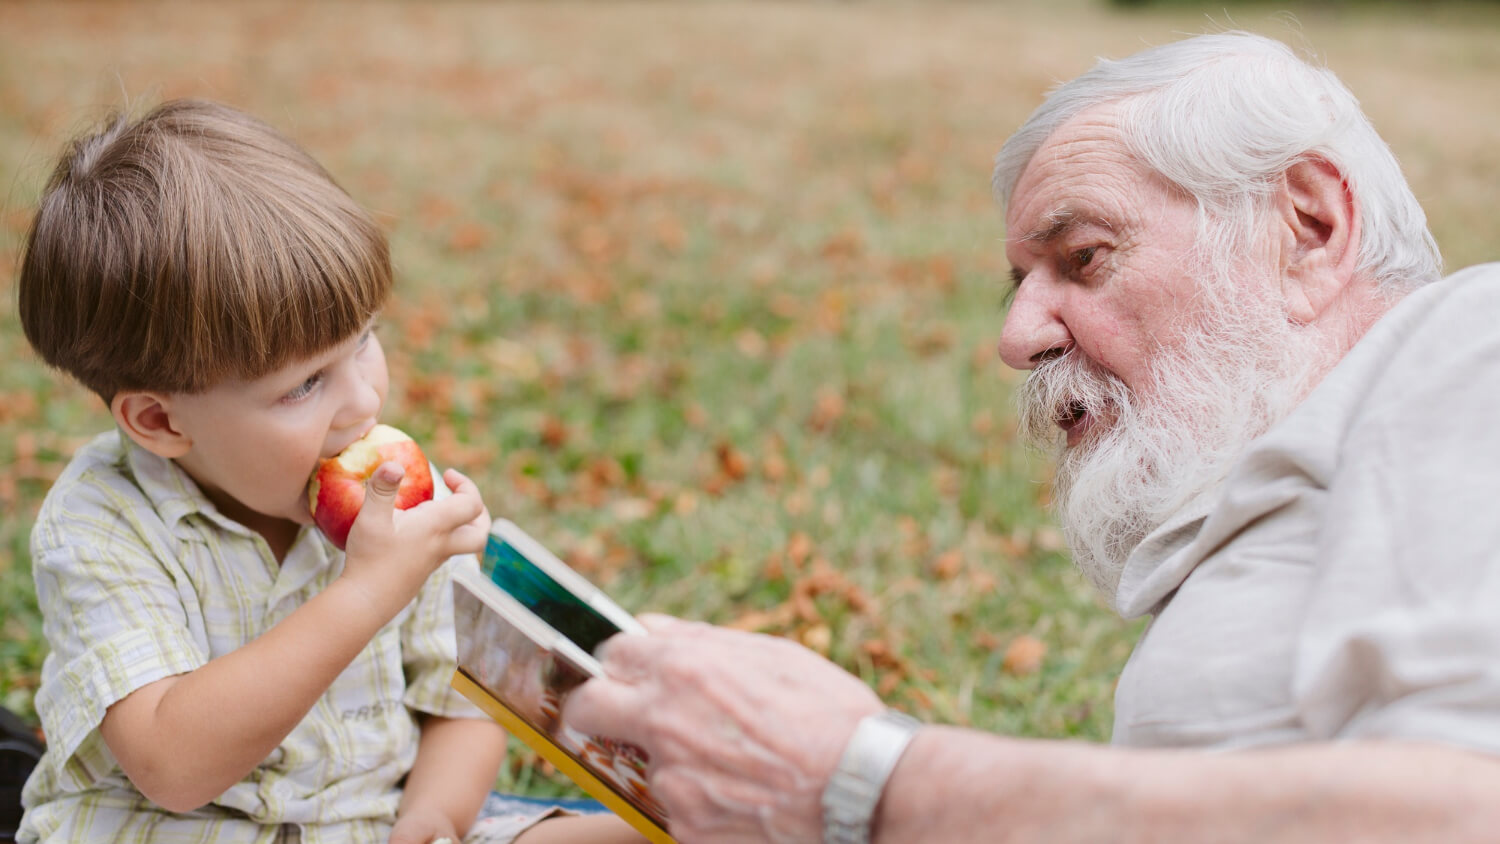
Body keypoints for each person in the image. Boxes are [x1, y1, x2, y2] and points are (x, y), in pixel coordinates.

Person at [560, 30, 1500, 843]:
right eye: (1020, 285)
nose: (1017, 339)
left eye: (1083, 256)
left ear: (1308, 226)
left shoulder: (1467, 344)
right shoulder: (1269, 522)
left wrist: (861, 780)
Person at [14, 100, 644, 844]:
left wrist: (433, 819)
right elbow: (171, 765)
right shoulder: (103, 524)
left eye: (365, 340)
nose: (364, 400)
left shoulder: (390, 506)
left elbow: (460, 702)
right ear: (161, 421)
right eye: (305, 385)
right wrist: (371, 589)